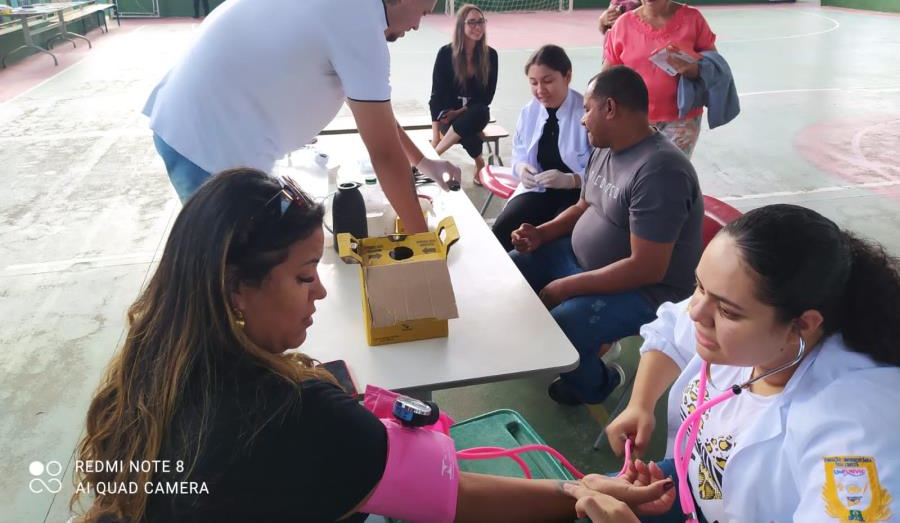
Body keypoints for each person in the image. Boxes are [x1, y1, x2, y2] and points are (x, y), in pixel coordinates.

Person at [70, 169, 673, 522]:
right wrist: (580, 493)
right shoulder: (300, 415)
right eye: (305, 277)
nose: (318, 296)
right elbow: (447, 496)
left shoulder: (153, 366)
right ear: (235, 286)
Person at [563, 204, 900, 523]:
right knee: (567, 502)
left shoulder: (855, 430)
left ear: (803, 324)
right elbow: (670, 329)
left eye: (727, 311)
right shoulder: (743, 321)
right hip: (686, 484)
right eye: (699, 286)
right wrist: (642, 403)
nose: (696, 312)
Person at [144, 0, 461, 234]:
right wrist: (423, 242)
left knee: (285, 242)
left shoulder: (346, 0)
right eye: (423, 12)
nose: (418, 26)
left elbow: (380, 119)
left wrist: (425, 164)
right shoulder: (361, 24)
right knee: (246, 268)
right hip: (208, 147)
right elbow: (384, 153)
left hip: (191, 123)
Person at [510, 66, 703, 406]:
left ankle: (598, 384)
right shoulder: (605, 147)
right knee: (516, 268)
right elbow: (585, 205)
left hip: (648, 293)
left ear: (610, 109)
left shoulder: (660, 171)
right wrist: (541, 234)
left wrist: (566, 287)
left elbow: (647, 269)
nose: (582, 120)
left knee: (564, 325)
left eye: (587, 109)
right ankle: (581, 346)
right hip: (581, 262)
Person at [603, 0, 717, 158]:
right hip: (634, 117)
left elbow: (714, 67)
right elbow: (609, 72)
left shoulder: (693, 19)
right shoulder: (623, 24)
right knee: (637, 174)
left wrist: (692, 68)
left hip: (682, 120)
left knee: (670, 174)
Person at [492, 45, 591, 251]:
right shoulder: (529, 112)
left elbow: (604, 170)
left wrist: (572, 180)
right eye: (533, 83)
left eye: (548, 81)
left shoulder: (586, 113)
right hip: (539, 189)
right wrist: (521, 169)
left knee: (560, 239)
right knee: (503, 228)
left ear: (568, 76)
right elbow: (519, 153)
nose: (540, 90)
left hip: (578, 195)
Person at [429, 4, 498, 184]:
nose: (478, 27)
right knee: (468, 133)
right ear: (461, 26)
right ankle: (479, 162)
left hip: (475, 114)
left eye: (481, 22)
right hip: (448, 119)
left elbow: (487, 97)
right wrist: (436, 134)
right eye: (472, 22)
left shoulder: (491, 55)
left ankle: (432, 159)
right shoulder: (445, 54)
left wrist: (458, 112)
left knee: (480, 111)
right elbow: (436, 95)